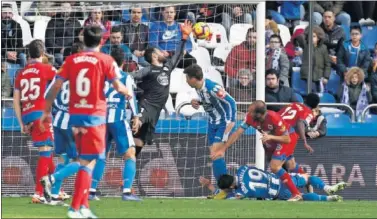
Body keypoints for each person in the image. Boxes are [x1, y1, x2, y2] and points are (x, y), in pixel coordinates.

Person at [40, 25, 132, 218]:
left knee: (85, 161)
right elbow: (118, 85)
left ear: (84, 41)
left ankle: (83, 206)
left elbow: (56, 85)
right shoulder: (106, 60)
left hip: (74, 117)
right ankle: (75, 208)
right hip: (94, 116)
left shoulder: (71, 60)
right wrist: (127, 92)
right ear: (102, 41)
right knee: (87, 162)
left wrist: (46, 110)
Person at [211, 101, 303, 201]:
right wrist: (223, 149)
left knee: (274, 166)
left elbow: (287, 139)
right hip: (270, 140)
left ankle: (296, 193)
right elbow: (238, 133)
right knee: (291, 166)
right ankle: (305, 181)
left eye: (250, 111)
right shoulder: (250, 118)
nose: (248, 113)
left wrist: (270, 136)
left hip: (286, 138)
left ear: (258, 114)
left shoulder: (274, 117)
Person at [130, 20, 192, 159]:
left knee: (141, 140)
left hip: (157, 110)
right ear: (154, 56)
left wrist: (184, 38)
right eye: (160, 51)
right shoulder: (148, 70)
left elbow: (177, 55)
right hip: (146, 105)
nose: (164, 52)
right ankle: (136, 121)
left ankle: (130, 161)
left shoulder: (167, 68)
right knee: (137, 124)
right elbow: (134, 76)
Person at [89, 46, 141, 202]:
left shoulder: (100, 76)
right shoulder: (126, 77)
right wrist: (136, 116)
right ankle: (126, 192)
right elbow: (130, 97)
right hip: (117, 120)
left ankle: (91, 191)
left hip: (100, 121)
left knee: (100, 156)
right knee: (130, 153)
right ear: (124, 62)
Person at [40, 42, 85, 205]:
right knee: (80, 161)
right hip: (72, 123)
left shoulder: (60, 72)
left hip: (57, 120)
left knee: (62, 159)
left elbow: (47, 95)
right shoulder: (81, 74)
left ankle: (53, 195)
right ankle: (50, 179)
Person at [13, 40, 56, 204]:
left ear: (29, 54)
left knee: (48, 151)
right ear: (43, 52)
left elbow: (16, 101)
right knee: (45, 151)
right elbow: (62, 79)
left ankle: (57, 188)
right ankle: (38, 192)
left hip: (27, 114)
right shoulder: (46, 69)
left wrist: (21, 123)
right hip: (41, 114)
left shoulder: (21, 73)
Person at [184, 64, 236, 198]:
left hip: (223, 123)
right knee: (215, 156)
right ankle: (222, 191)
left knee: (217, 155)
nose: (186, 80)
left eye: (187, 78)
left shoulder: (212, 87)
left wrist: (231, 121)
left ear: (194, 79)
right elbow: (210, 101)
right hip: (212, 123)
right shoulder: (199, 88)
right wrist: (198, 102)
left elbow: (231, 102)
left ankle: (225, 192)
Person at [211, 166, 346, 201]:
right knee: (308, 178)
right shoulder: (243, 168)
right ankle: (327, 188)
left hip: (280, 193)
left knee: (302, 197)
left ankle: (328, 198)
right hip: (282, 180)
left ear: (229, 186)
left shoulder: (241, 192)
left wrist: (209, 186)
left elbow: (222, 197)